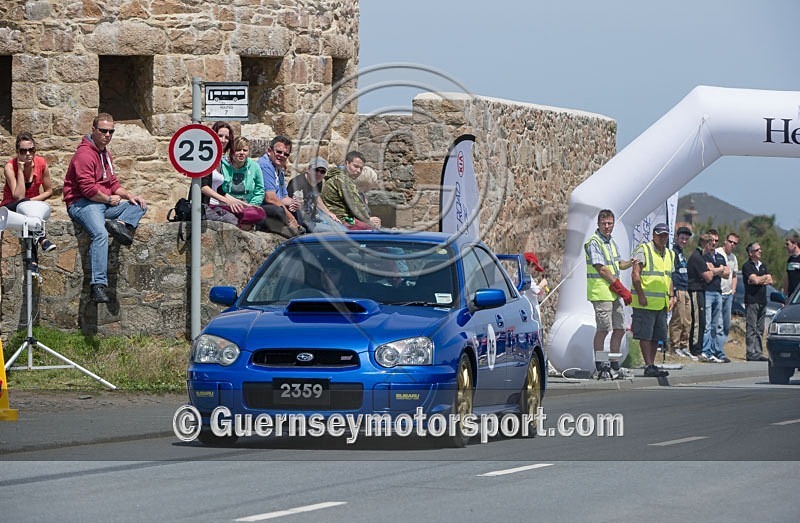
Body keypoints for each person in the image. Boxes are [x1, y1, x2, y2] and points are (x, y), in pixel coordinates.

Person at [63, 113, 147, 304]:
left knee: (140, 206)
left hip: (102, 204)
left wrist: (129, 196)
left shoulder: (105, 154)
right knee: (100, 234)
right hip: (82, 203)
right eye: (103, 131)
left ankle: (119, 224)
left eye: (111, 131)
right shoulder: (84, 155)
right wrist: (109, 199)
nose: (107, 135)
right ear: (93, 130)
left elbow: (113, 183)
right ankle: (98, 285)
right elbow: (87, 190)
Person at [584, 209, 635, 378]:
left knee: (620, 328)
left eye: (610, 223)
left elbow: (618, 264)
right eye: (604, 223)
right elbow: (602, 269)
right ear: (598, 224)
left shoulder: (611, 242)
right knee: (604, 329)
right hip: (601, 292)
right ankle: (600, 366)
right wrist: (620, 287)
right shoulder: (594, 242)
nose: (607, 226)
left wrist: (631, 263)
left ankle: (614, 365)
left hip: (613, 294)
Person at [631, 222, 675, 377]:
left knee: (658, 336)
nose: (662, 238)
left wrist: (671, 296)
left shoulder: (670, 254)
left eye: (665, 235)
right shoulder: (644, 250)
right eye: (660, 235)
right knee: (645, 335)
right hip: (645, 303)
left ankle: (652, 364)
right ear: (653, 235)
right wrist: (641, 295)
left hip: (661, 304)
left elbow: (668, 277)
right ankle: (648, 364)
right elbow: (635, 274)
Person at [2, 132, 57, 253]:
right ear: (17, 152)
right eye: (23, 151)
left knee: (30, 218)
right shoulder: (10, 167)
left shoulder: (41, 163)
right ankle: (43, 239)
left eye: (31, 150)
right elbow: (18, 196)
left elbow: (49, 191)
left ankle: (33, 266)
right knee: (30, 215)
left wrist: (30, 202)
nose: (28, 154)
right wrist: (20, 171)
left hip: (31, 207)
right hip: (10, 207)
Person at [321, 151, 381, 229]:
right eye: (355, 166)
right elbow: (355, 204)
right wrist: (368, 220)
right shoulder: (343, 180)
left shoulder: (336, 177)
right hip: (341, 220)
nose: (358, 171)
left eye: (361, 168)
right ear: (347, 163)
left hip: (338, 218)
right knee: (372, 228)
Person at [256, 135, 303, 234]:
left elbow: (283, 197)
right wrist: (291, 219)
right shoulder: (265, 166)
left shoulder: (279, 168)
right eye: (278, 152)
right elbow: (270, 198)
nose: (282, 155)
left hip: (273, 206)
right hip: (260, 207)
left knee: (296, 208)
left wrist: (295, 203)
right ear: (269, 151)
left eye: (286, 154)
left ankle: (298, 231)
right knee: (279, 211)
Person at [286, 157, 345, 232]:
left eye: (322, 171)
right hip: (304, 221)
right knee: (335, 231)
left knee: (341, 227)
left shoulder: (318, 182)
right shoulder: (297, 184)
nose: (319, 174)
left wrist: (328, 213)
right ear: (308, 169)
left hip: (314, 215)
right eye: (316, 170)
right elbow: (294, 209)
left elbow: (316, 197)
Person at [700, 229, 730, 363]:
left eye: (716, 241)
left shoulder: (720, 256)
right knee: (707, 324)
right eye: (711, 240)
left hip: (719, 292)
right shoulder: (704, 256)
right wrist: (720, 269)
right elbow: (709, 270)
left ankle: (718, 351)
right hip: (708, 291)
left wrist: (717, 269)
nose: (713, 243)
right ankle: (706, 350)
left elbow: (727, 273)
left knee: (717, 324)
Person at [199, 121, 238, 226]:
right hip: (204, 207)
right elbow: (202, 186)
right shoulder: (206, 158)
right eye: (220, 136)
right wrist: (226, 201)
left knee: (254, 214)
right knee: (234, 221)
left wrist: (242, 204)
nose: (223, 140)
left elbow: (221, 191)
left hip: (216, 205)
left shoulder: (220, 160)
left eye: (226, 137)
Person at [669, 226, 697, 360]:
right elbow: (672, 273)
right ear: (677, 238)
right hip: (678, 288)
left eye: (686, 239)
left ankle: (684, 346)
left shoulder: (682, 253)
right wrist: (673, 293)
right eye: (682, 238)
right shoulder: (673, 253)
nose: (684, 241)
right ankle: (674, 346)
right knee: (678, 319)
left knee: (687, 320)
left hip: (685, 289)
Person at [742, 242, 772, 361]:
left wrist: (760, 279)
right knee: (751, 327)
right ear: (751, 253)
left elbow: (770, 280)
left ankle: (758, 352)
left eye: (760, 249)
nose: (760, 251)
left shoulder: (763, 265)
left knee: (760, 328)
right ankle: (750, 352)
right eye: (757, 250)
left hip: (762, 300)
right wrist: (760, 279)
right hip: (752, 300)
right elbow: (753, 280)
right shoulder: (747, 266)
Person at [686, 233, 712, 357]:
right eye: (710, 245)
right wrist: (715, 270)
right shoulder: (697, 258)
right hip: (695, 291)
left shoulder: (700, 257)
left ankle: (699, 348)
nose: (711, 248)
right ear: (705, 244)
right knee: (697, 320)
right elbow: (708, 277)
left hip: (700, 291)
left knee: (702, 320)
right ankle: (695, 349)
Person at [716, 232, 739, 351]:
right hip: (718, 293)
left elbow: (734, 275)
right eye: (730, 241)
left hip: (728, 294)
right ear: (725, 241)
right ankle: (719, 351)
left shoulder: (733, 258)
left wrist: (733, 290)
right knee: (718, 324)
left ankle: (720, 347)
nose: (732, 244)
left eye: (735, 243)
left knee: (726, 324)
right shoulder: (718, 252)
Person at [785, 233, 800, 297]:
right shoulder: (790, 260)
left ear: (795, 244)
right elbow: (788, 278)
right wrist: (785, 295)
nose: (786, 246)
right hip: (791, 296)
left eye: (787, 244)